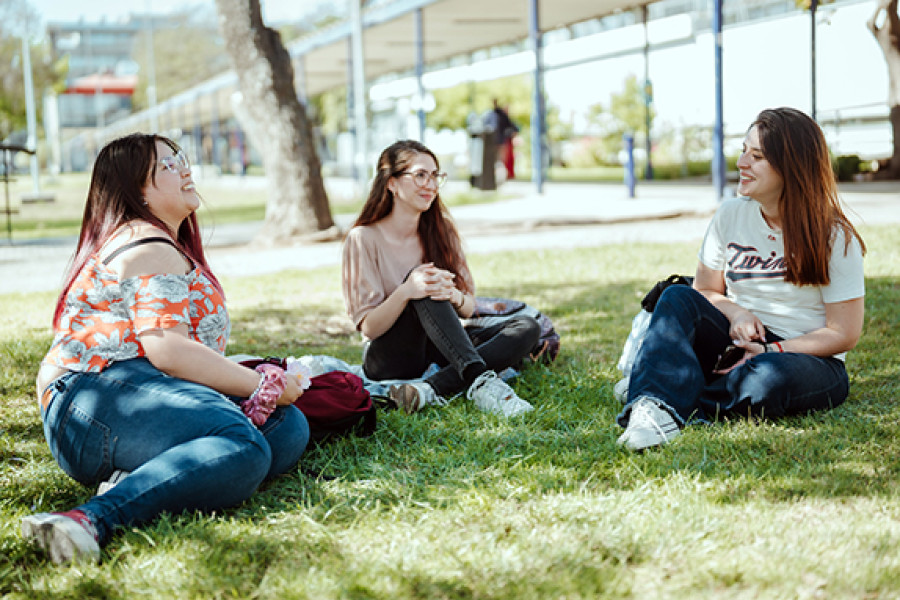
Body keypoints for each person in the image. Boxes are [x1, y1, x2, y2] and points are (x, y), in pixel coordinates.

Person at [21, 134, 310, 564]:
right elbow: (169, 351)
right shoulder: (146, 245)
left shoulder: (162, 242)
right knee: (245, 447)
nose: (185, 169)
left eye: (180, 159)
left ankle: (141, 474)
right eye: (168, 166)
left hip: (138, 392)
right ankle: (89, 519)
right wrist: (260, 384)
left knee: (286, 427)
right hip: (89, 402)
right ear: (137, 190)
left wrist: (259, 386)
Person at [616, 107, 866, 451]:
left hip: (803, 357)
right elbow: (705, 290)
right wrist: (737, 313)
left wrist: (770, 350)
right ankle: (654, 407)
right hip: (733, 345)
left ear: (791, 166)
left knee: (766, 380)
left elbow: (844, 333)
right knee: (676, 296)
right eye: (743, 150)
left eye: (757, 156)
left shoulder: (834, 236)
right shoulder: (730, 214)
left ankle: (662, 388)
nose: (741, 163)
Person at [341, 139, 540, 417]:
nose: (431, 184)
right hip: (391, 356)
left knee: (527, 327)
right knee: (424, 283)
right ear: (392, 183)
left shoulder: (441, 230)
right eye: (420, 175)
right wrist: (407, 291)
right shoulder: (363, 238)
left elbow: (468, 308)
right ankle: (481, 382)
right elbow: (369, 328)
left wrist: (453, 295)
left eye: (435, 176)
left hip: (440, 346)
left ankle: (428, 389)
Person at [485, 99, 519, 180]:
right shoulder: (497, 115)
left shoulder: (501, 116)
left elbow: (514, 128)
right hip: (496, 141)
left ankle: (500, 175)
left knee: (500, 159)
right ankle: (495, 175)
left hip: (500, 141)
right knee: (497, 159)